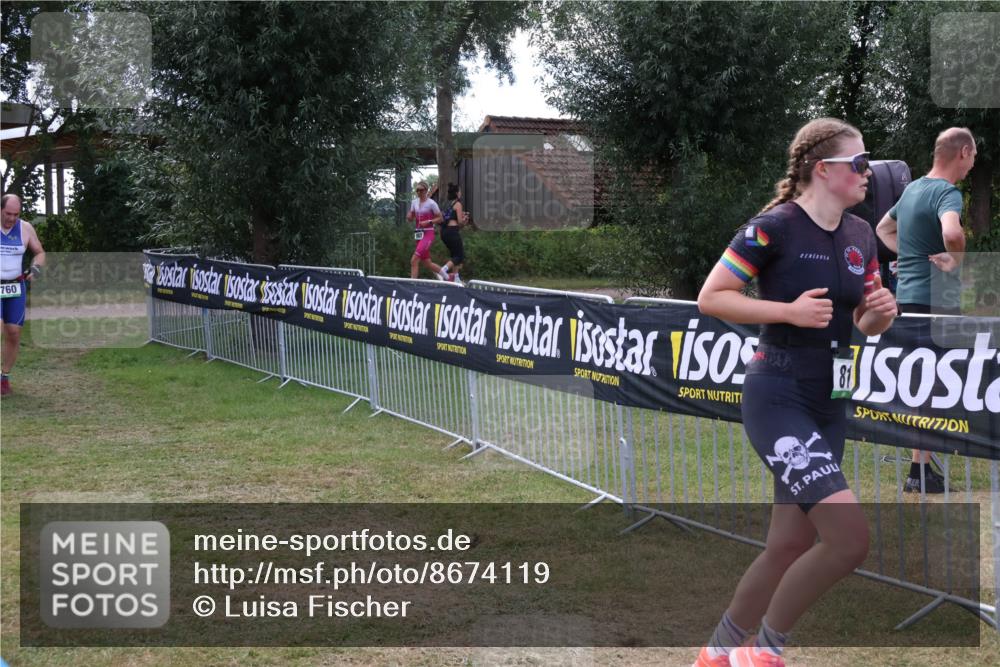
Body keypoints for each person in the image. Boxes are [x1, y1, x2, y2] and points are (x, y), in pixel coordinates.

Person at [694, 118, 898, 667]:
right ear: (822, 169)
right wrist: (786, 312)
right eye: (859, 164)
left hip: (829, 403)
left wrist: (877, 315)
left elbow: (867, 322)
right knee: (849, 539)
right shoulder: (773, 227)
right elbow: (712, 297)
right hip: (778, 394)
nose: (867, 174)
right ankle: (764, 654)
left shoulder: (861, 235)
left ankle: (715, 655)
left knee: (788, 544)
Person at [876, 127, 976, 494]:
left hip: (909, 298)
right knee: (938, 384)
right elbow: (951, 233)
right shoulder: (946, 192)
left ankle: (920, 469)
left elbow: (882, 228)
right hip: (939, 301)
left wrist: (909, 256)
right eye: (973, 158)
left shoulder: (913, 189)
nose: (972, 166)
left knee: (921, 384)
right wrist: (957, 258)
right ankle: (921, 470)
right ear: (963, 152)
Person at [1, 194, 46, 397]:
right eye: (8, 214)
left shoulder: (25, 228)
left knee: (13, 333)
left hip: (16, 287)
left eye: (15, 214)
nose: (11, 218)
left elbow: (39, 252)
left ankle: (4, 378)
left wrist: (35, 270)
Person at [406, 181, 448, 280]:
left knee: (414, 260)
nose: (418, 192)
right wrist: (409, 217)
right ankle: (447, 277)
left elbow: (441, 218)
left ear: (426, 190)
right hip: (418, 234)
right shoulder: (414, 202)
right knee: (427, 263)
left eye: (420, 190)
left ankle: (412, 285)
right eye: (417, 190)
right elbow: (411, 216)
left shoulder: (432, 203)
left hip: (428, 233)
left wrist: (429, 221)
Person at [437, 183, 468, 285]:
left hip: (444, 232)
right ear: (457, 193)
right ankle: (442, 271)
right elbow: (459, 222)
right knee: (459, 256)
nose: (461, 193)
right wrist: (465, 220)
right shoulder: (458, 204)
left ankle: (456, 279)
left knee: (454, 255)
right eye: (459, 191)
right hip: (452, 231)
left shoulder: (448, 204)